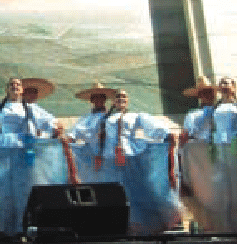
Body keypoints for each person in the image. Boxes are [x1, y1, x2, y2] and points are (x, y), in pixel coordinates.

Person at [70, 89, 182, 234]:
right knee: (111, 194)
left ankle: (135, 225)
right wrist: (72, 138)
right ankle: (112, 224)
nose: (121, 99)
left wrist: (166, 134)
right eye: (118, 97)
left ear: (128, 100)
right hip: (109, 161)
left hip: (129, 159)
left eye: (124, 96)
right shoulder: (103, 119)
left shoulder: (135, 116)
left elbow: (152, 126)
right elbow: (87, 130)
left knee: (132, 194)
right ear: (113, 101)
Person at [0, 77, 69, 237]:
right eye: (11, 85)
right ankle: (2, 227)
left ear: (22, 89)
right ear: (7, 89)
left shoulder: (30, 107)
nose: (15, 87)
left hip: (22, 150)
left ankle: (21, 225)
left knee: (22, 189)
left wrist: (55, 127)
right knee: (0, 187)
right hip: (2, 149)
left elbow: (47, 120)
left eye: (18, 84)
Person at [180, 76, 237, 232]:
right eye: (203, 93)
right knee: (220, 190)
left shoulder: (231, 106)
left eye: (209, 92)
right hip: (216, 151)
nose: (207, 95)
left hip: (232, 148)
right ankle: (222, 227)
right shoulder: (208, 110)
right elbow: (191, 134)